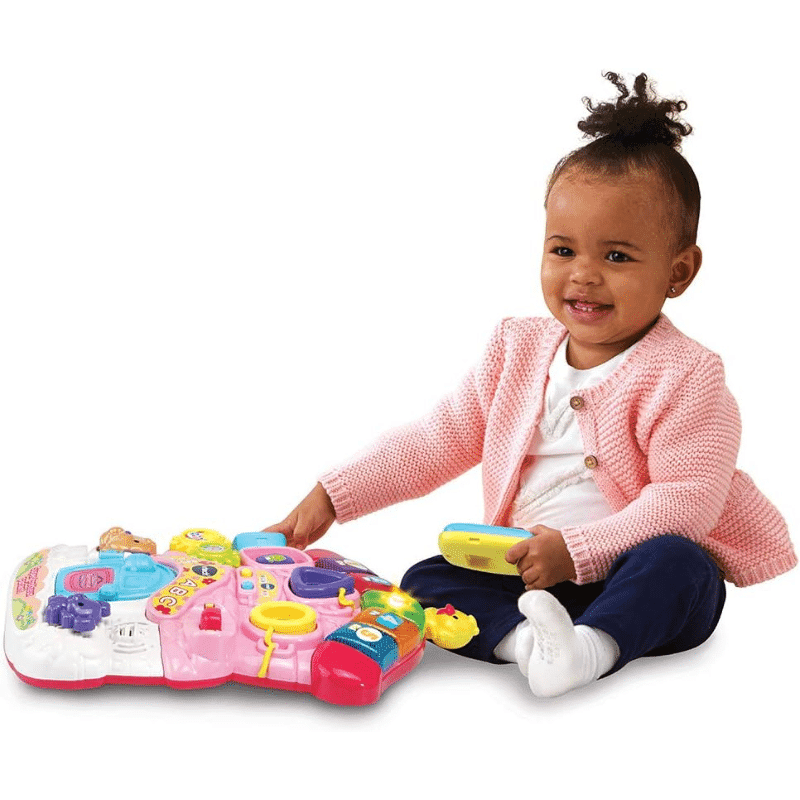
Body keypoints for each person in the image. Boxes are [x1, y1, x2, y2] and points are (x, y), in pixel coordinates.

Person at [264, 72, 796, 697]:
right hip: (530, 571)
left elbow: (685, 501)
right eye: (563, 250)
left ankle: (592, 648)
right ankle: (530, 645)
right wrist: (333, 496)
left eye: (617, 257)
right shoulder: (516, 350)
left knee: (683, 567)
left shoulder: (687, 376)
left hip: (630, 569)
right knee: (424, 582)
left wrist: (579, 549)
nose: (583, 275)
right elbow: (437, 439)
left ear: (679, 271)